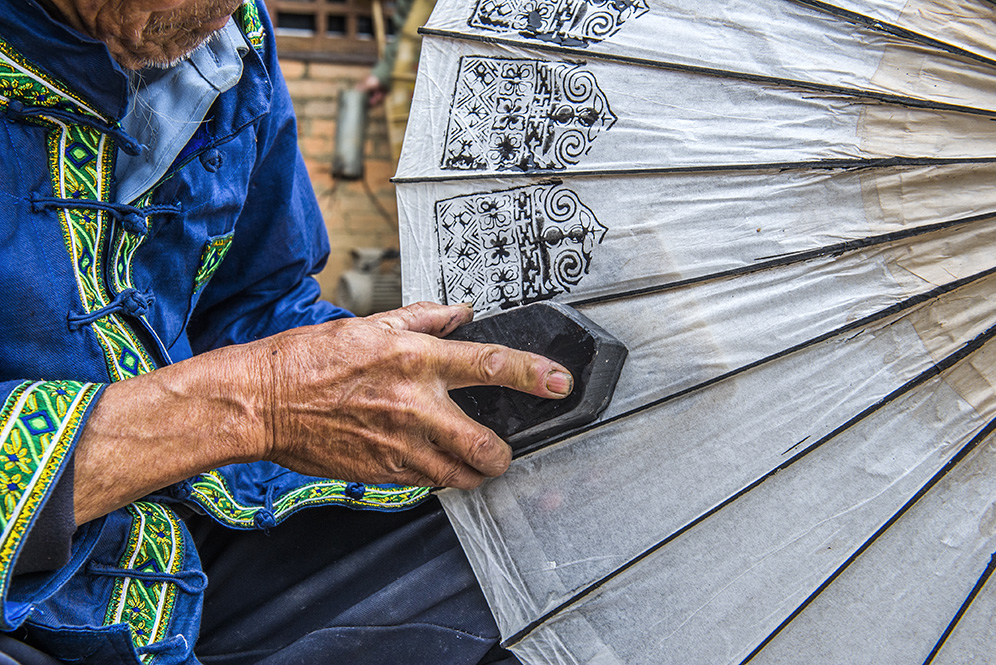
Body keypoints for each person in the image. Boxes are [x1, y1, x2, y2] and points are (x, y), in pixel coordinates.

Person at [0, 0, 573, 663]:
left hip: (183, 539)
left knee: (524, 552)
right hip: (28, 613)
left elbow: (256, 297)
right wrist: (257, 403)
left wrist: (417, 385)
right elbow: (258, 394)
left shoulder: (225, 39)